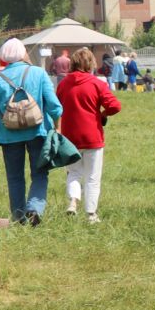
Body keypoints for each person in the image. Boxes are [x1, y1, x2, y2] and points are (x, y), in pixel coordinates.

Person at [0, 38, 62, 226]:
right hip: (38, 131)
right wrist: (58, 128)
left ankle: (19, 217)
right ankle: (34, 209)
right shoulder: (38, 73)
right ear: (23, 53)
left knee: (14, 176)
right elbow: (54, 105)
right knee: (40, 173)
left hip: (8, 134)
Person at [57, 46, 121, 223]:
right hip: (92, 136)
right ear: (91, 63)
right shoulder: (97, 84)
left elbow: (56, 107)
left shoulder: (63, 84)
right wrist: (102, 114)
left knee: (73, 173)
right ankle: (91, 214)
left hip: (70, 138)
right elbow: (115, 106)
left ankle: (73, 202)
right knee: (92, 178)